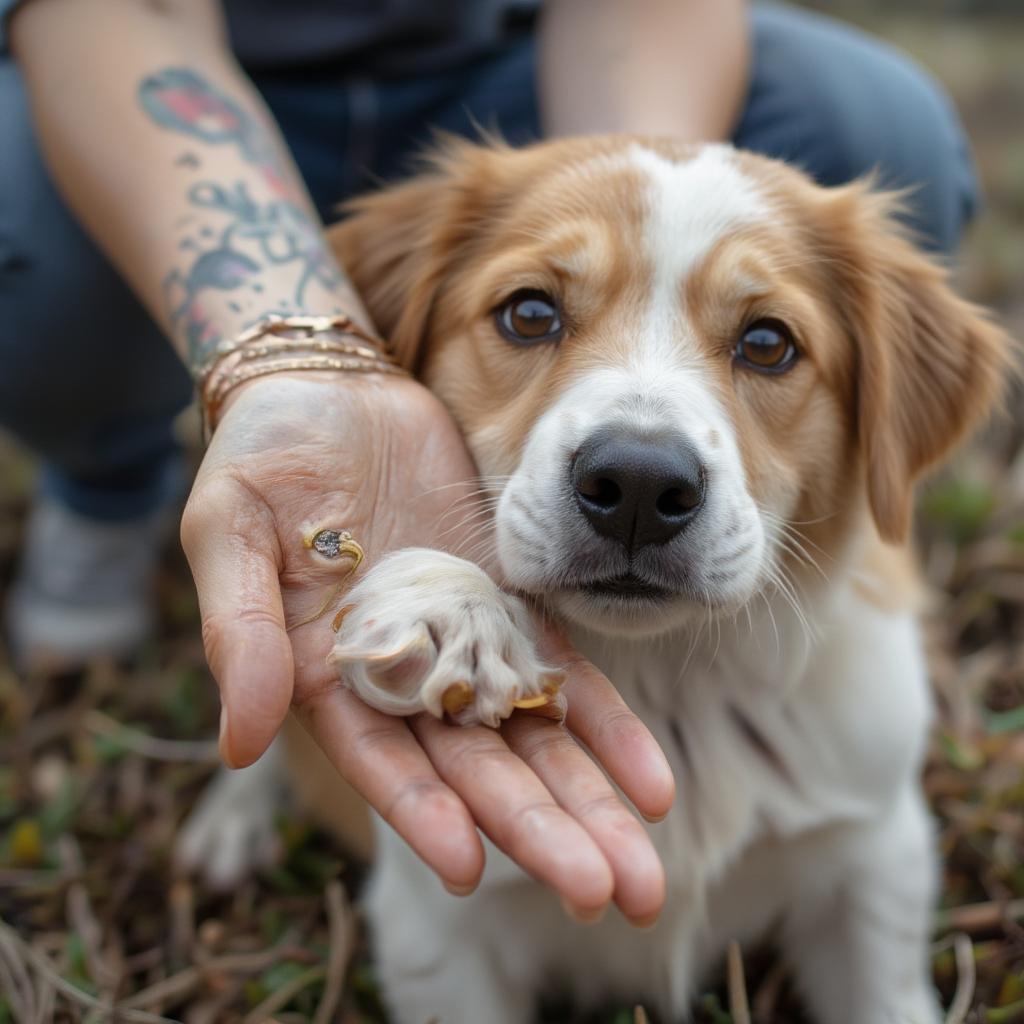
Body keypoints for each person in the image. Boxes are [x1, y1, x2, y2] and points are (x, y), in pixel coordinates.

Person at [0, 0, 978, 923]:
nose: (638, 469)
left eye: (764, 343)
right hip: (155, 90)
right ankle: (108, 477)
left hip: (516, 67)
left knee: (875, 118)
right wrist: (301, 362)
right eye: (533, 310)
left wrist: (635, 196)